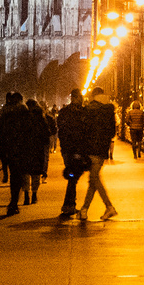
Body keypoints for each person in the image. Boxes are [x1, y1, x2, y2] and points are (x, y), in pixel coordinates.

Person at [79, 85, 119, 221]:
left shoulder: (89, 110)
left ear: (93, 96)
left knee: (94, 179)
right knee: (93, 180)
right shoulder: (109, 110)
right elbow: (113, 132)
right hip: (102, 150)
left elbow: (83, 132)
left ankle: (109, 207)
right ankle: (84, 209)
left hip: (90, 149)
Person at [56, 90, 88, 219]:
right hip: (77, 149)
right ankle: (68, 205)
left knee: (72, 175)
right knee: (73, 176)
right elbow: (86, 130)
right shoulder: (83, 112)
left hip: (67, 149)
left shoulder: (63, 113)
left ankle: (69, 204)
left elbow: (61, 129)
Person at [26, 99, 54, 204]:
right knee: (36, 173)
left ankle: (25, 194)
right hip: (38, 148)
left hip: (26, 148)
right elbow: (47, 133)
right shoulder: (41, 118)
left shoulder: (24, 118)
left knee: (25, 172)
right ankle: (34, 194)